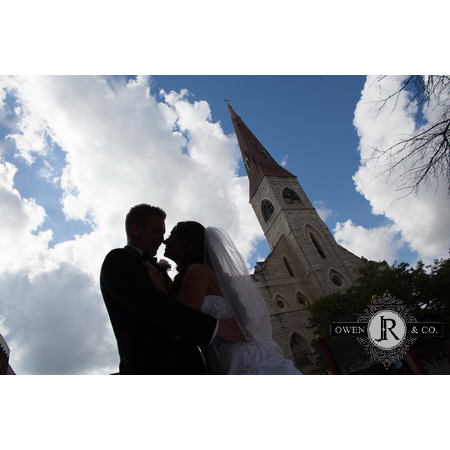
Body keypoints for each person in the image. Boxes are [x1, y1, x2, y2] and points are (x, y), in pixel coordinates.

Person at [100, 204, 245, 375]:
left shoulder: (162, 271)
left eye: (164, 234)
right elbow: (153, 306)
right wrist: (214, 327)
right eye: (156, 232)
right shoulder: (119, 259)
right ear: (136, 229)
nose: (162, 240)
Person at [164, 221, 302, 375]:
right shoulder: (208, 274)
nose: (165, 240)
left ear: (185, 243)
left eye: (171, 235)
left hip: (242, 361)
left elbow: (178, 327)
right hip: (232, 359)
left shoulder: (198, 271)